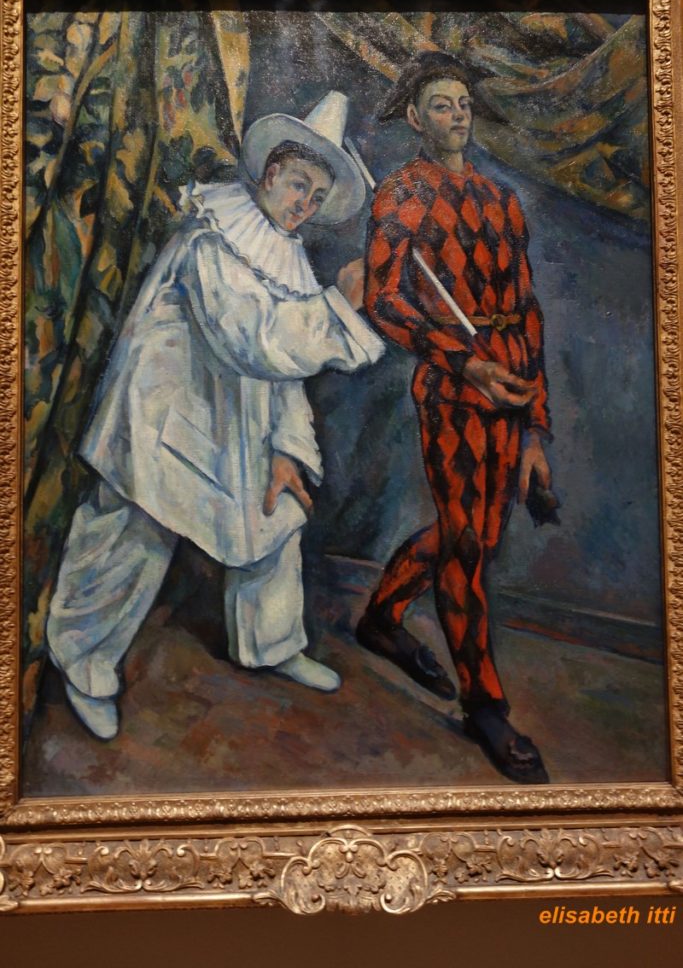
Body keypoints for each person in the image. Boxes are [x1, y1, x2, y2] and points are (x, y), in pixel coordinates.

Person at [46, 90, 383, 741]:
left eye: (316, 197)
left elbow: (282, 373)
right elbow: (252, 338)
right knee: (135, 531)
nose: (304, 204)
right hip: (161, 417)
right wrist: (339, 309)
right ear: (270, 173)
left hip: (234, 425)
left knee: (276, 513)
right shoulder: (211, 235)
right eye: (298, 185)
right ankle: (83, 661)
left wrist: (287, 448)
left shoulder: (286, 255)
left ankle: (271, 642)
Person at [357, 51, 554, 784]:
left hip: (510, 385)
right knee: (467, 541)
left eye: (463, 103)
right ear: (414, 118)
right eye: (441, 105)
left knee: (476, 533)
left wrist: (535, 428)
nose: (458, 115)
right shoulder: (402, 193)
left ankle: (381, 618)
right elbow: (383, 300)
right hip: (452, 387)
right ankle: (485, 706)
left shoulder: (501, 199)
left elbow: (527, 310)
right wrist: (464, 362)